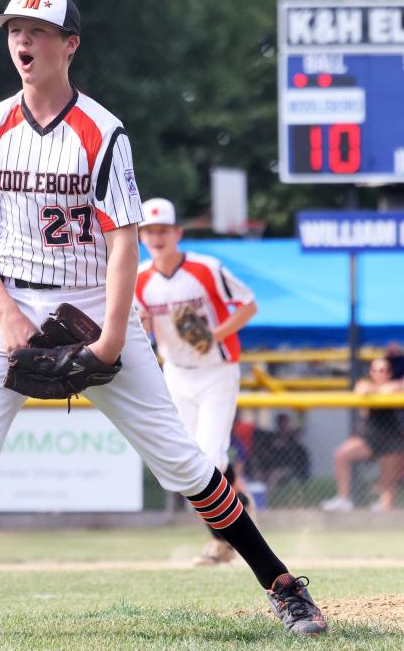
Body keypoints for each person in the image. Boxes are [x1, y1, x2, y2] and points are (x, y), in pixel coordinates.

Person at [0, 0, 326, 639]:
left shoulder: (103, 130)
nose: (23, 41)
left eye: (39, 31)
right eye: (16, 29)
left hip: (95, 301)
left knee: (184, 464)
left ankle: (285, 586)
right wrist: (8, 315)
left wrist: (112, 338)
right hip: (10, 299)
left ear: (70, 44)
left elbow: (124, 239)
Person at [134, 196, 259, 566]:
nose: (156, 237)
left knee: (209, 458)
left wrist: (215, 335)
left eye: (163, 230)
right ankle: (233, 517)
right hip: (175, 373)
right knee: (190, 465)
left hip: (217, 371)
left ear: (178, 233)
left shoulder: (206, 269)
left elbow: (249, 304)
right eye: (149, 231)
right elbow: (143, 324)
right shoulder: (139, 278)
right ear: (141, 236)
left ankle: (224, 539)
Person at [321, 357, 404, 512]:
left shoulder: (397, 385)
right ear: (370, 372)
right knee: (341, 455)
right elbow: (362, 390)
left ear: (389, 373)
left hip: (391, 439)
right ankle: (344, 498)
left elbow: (400, 386)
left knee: (387, 491)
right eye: (375, 370)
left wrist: (383, 390)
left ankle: (385, 516)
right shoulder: (365, 383)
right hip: (369, 438)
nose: (379, 374)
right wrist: (382, 390)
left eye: (383, 370)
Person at [251, 412, 311, 500]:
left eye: (285, 423)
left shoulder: (292, 439)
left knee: (275, 474)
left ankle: (264, 500)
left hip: (288, 469)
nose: (283, 425)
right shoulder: (272, 437)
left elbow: (300, 430)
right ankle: (255, 498)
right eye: (280, 422)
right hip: (270, 468)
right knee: (258, 474)